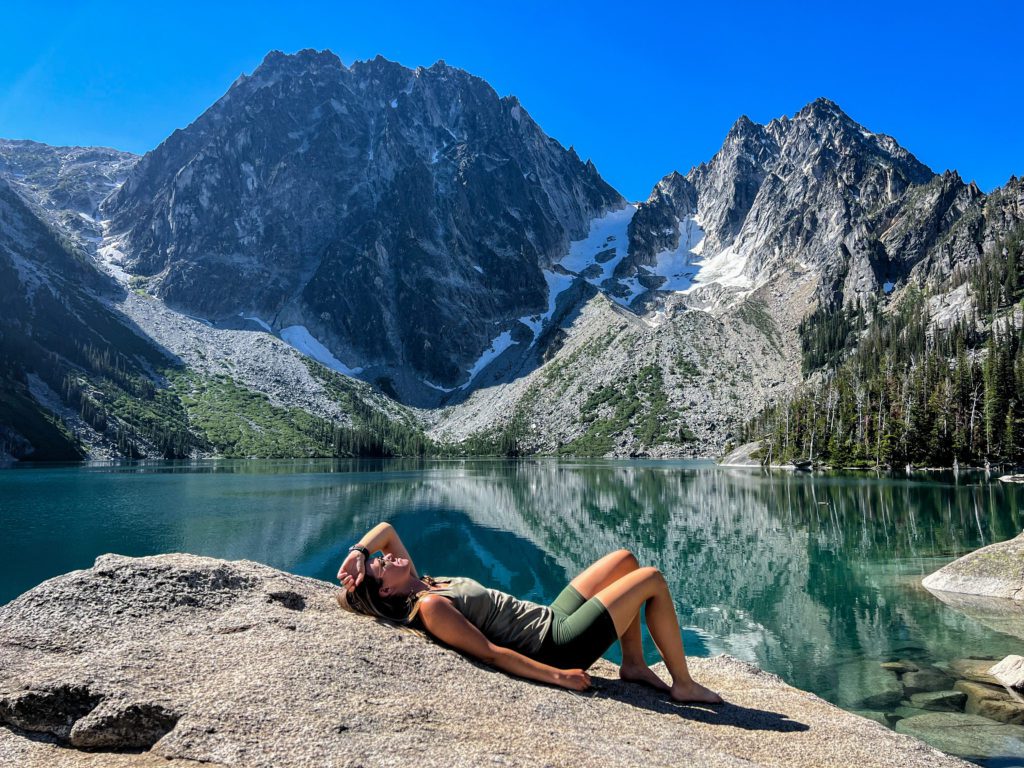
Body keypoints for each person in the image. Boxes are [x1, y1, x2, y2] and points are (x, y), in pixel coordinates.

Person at [336, 522, 721, 703]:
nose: (386, 555)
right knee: (650, 578)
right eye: (381, 564)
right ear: (387, 589)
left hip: (548, 617)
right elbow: (489, 652)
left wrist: (358, 554)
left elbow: (384, 529)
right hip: (556, 644)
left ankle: (633, 664)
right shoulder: (431, 605)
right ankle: (683, 684)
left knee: (625, 560)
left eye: (381, 557)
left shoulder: (421, 582)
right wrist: (559, 676)